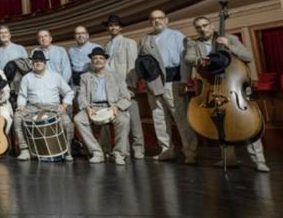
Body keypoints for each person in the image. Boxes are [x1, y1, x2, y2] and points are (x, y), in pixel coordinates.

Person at [184, 16, 269, 172]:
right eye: (198, 27)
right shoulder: (193, 43)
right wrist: (198, 60)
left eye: (205, 25)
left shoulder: (230, 38)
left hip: (233, 86)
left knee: (248, 124)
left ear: (212, 25)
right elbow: (188, 58)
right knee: (220, 124)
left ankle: (259, 160)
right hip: (213, 88)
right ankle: (228, 159)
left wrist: (229, 46)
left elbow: (248, 56)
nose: (202, 29)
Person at [130, 9, 197, 164]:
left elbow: (185, 60)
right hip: (153, 82)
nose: (157, 21)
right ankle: (166, 150)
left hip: (173, 80)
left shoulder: (177, 36)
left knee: (181, 118)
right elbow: (139, 63)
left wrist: (184, 81)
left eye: (160, 18)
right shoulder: (144, 39)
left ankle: (190, 152)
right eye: (153, 19)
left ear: (166, 20)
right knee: (159, 118)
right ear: (150, 22)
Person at [74, 47, 132, 165]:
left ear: (105, 60)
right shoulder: (85, 77)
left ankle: (118, 153)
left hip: (113, 106)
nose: (98, 60)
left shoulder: (116, 76)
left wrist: (117, 107)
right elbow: (81, 96)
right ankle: (97, 152)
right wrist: (87, 108)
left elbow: (126, 97)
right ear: (91, 61)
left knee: (124, 120)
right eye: (95, 58)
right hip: (93, 107)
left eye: (101, 58)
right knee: (78, 119)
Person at [14, 51, 75, 162]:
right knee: (17, 117)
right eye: (35, 61)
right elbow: (22, 95)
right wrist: (21, 105)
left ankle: (67, 151)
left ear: (45, 63)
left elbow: (69, 92)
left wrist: (64, 104)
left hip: (52, 107)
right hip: (33, 107)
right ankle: (25, 150)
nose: (38, 63)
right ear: (32, 63)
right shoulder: (26, 78)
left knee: (67, 123)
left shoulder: (56, 76)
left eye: (40, 61)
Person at [103, 14, 142, 159]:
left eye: (116, 25)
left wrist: (131, 86)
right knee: (121, 121)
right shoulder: (107, 45)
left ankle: (138, 148)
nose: (113, 28)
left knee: (134, 120)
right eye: (111, 25)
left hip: (126, 85)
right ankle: (124, 150)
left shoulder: (129, 43)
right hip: (112, 88)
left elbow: (132, 66)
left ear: (121, 27)